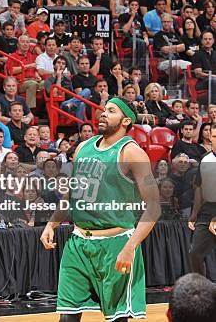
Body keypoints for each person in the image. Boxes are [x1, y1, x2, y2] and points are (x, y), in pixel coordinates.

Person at [40, 96, 161, 322]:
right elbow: (72, 193)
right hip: (78, 244)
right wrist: (52, 223)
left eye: (112, 111)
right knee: (67, 317)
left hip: (116, 243)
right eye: (104, 109)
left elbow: (153, 207)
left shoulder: (132, 153)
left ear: (126, 121)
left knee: (116, 318)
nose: (103, 114)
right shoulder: (84, 147)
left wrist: (130, 246)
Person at [188, 124, 216, 277]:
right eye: (214, 136)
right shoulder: (205, 159)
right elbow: (199, 187)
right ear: (209, 138)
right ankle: (201, 288)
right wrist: (194, 213)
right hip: (207, 210)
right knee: (195, 253)